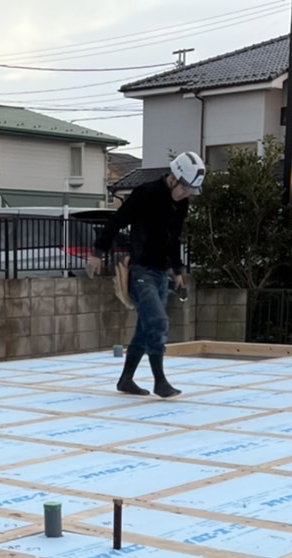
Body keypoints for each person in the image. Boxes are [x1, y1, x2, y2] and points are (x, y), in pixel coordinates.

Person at [88, 151, 205, 398]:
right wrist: (97, 252)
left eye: (191, 191)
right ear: (174, 178)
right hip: (141, 271)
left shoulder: (181, 204)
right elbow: (117, 221)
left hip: (161, 274)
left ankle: (125, 380)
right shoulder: (146, 194)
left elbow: (174, 239)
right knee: (158, 322)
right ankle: (160, 381)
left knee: (144, 329)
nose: (186, 194)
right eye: (185, 188)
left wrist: (177, 271)